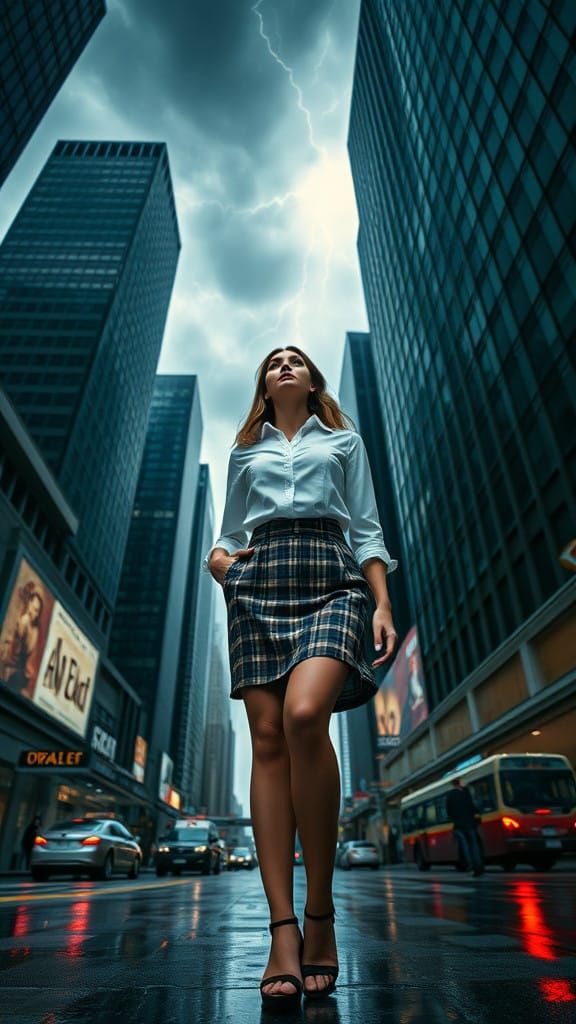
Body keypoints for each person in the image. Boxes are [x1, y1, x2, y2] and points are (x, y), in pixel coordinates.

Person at [205, 346, 398, 1010]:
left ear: (311, 378)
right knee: (266, 740)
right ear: (264, 381)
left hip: (330, 575)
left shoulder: (343, 442)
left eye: (296, 359)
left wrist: (382, 604)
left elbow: (367, 528)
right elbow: (225, 537)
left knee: (305, 716)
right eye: (273, 361)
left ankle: (321, 911)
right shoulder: (245, 451)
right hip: (259, 582)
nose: (285, 365)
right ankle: (283, 931)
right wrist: (227, 570)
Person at [446, 778, 484, 876]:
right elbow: (472, 807)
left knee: (465, 846)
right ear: (459, 783)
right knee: (474, 845)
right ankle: (478, 865)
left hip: (459, 825)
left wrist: (455, 819)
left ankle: (470, 864)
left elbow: (449, 813)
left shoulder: (450, 796)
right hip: (470, 823)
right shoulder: (466, 792)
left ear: (452, 784)